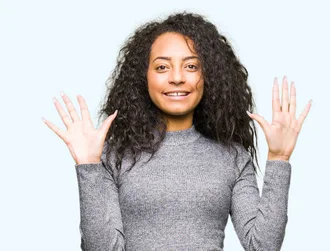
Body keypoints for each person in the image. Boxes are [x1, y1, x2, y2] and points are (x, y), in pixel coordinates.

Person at [42, 12, 312, 251]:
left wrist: (279, 157)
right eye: (162, 67)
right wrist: (88, 166)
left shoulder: (232, 157)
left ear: (208, 77)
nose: (177, 77)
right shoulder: (115, 155)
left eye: (191, 66)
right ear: (144, 77)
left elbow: (262, 246)